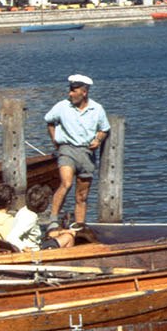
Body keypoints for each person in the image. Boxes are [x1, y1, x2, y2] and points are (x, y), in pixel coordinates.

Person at [44, 73, 110, 226]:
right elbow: (49, 121)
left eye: (74, 90)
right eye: (70, 89)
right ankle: (53, 220)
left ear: (84, 92)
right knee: (66, 183)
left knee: (82, 196)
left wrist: (98, 140)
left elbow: (104, 129)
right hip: (67, 150)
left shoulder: (97, 109)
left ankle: (79, 227)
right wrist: (54, 140)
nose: (70, 93)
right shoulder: (62, 106)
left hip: (86, 154)